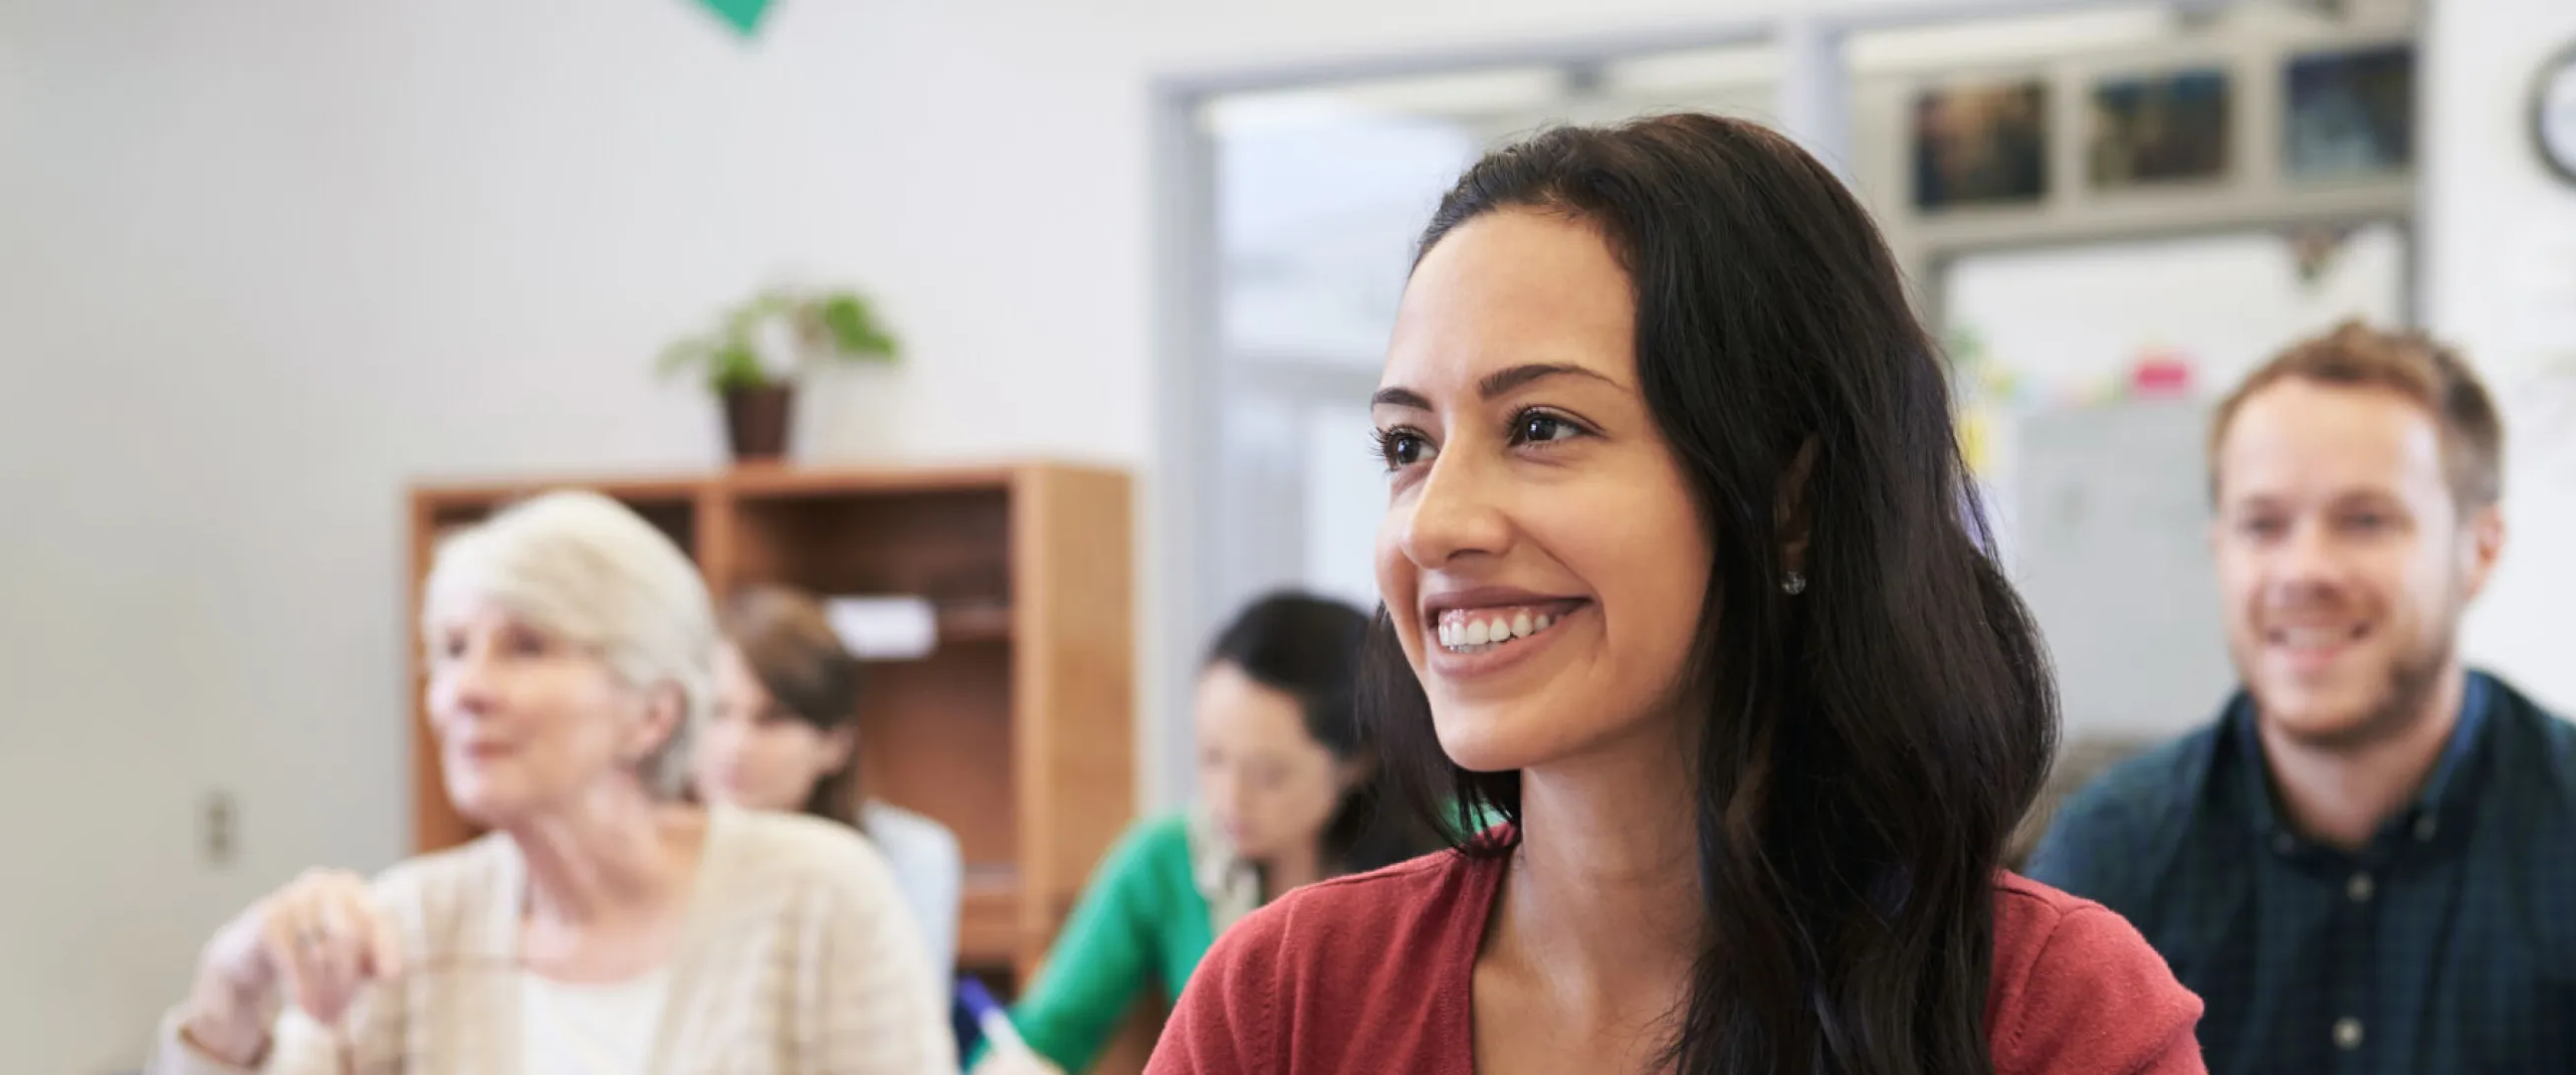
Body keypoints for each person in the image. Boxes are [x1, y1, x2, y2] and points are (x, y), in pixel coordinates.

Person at [1150, 113, 2203, 1075]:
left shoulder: (2052, 1017)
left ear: (1793, 497)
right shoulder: (1284, 1004)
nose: (1433, 523)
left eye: (1543, 427)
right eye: (1407, 444)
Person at [2025, 322, 2576, 1074]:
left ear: (2480, 550)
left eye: (2366, 520)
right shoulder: (2112, 852)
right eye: (2262, 524)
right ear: (2218, 549)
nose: (2304, 570)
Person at [152, 491, 953, 1074]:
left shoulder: (820, 895)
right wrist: (231, 989)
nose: (465, 688)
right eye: (455, 648)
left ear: (652, 714)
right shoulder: (411, 928)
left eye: (527, 647)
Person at [974, 591, 1428, 1074]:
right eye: (1212, 758)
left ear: (1357, 762)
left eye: (1269, 773)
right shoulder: (1166, 859)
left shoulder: (1451, 860)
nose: (1229, 799)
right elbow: (1041, 1036)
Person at [693, 583, 966, 999]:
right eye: (718, 712)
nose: (736, 744)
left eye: (771, 720)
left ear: (835, 744)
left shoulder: (908, 855)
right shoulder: (655, 854)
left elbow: (901, 1029)